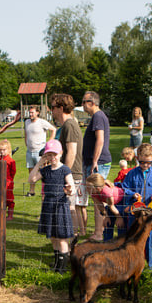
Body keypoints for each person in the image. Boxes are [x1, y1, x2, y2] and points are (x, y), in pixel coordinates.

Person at [28, 139, 74, 273]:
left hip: (61, 206)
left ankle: (62, 267)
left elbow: (72, 187)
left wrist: (69, 190)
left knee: (62, 238)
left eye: (54, 154)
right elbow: (31, 179)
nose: (52, 157)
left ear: (60, 153)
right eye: (49, 154)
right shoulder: (45, 170)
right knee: (53, 237)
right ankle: (56, 264)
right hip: (48, 206)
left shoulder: (65, 169)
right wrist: (39, 164)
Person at [121, 143, 152, 271]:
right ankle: (132, 263)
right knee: (133, 237)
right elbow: (124, 188)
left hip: (150, 213)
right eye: (142, 162)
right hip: (136, 212)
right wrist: (132, 194)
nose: (145, 165)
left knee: (151, 239)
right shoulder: (131, 174)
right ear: (137, 158)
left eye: (148, 162)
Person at [52, 93, 85, 236]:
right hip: (72, 174)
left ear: (60, 108)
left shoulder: (70, 125)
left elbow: (71, 152)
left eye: (53, 107)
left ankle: (71, 241)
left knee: (69, 208)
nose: (51, 111)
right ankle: (72, 239)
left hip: (72, 174)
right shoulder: (68, 125)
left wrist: (63, 175)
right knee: (70, 207)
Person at [82, 91, 113, 238]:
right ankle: (99, 231)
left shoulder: (98, 116)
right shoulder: (97, 117)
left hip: (98, 163)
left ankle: (99, 233)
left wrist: (94, 161)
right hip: (96, 162)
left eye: (84, 102)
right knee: (96, 198)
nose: (82, 105)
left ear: (92, 102)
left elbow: (100, 140)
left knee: (98, 198)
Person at [20, 105, 56, 197]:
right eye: (29, 112)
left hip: (39, 151)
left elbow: (53, 129)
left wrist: (49, 143)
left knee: (43, 171)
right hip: (29, 151)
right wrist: (26, 142)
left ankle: (45, 191)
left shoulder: (42, 122)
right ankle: (31, 191)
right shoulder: (27, 122)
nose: (30, 114)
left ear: (38, 113)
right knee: (31, 171)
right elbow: (26, 133)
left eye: (32, 112)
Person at [86, 173, 126, 241]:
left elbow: (112, 206)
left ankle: (121, 243)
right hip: (112, 205)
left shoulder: (106, 192)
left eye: (88, 188)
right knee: (107, 224)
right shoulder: (93, 193)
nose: (87, 189)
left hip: (122, 202)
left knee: (120, 225)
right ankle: (107, 243)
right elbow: (100, 207)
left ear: (97, 188)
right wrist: (106, 216)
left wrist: (119, 218)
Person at [0, 139, 17, 220]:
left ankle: (10, 215)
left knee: (9, 199)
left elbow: (13, 172)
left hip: (8, 183)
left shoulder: (10, 161)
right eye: (0, 150)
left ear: (8, 150)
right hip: (0, 182)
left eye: (4, 150)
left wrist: (9, 180)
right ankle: (1, 214)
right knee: (1, 198)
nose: (2, 152)